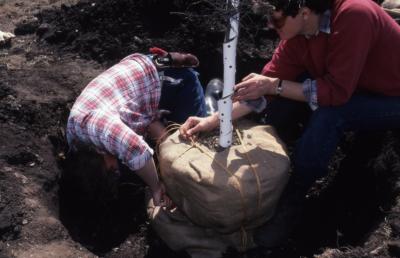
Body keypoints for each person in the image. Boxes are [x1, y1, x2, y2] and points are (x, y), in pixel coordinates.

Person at [180, 0, 400, 248]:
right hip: (356, 83)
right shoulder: (298, 38)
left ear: (304, 13)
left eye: (275, 19)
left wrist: (275, 86)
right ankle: (280, 154)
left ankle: (295, 193)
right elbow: (264, 87)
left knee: (330, 114)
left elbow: (337, 93)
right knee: (287, 88)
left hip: (391, 95)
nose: (268, 24)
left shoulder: (355, 15)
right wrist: (213, 119)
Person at [66, 48, 206, 207]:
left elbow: (136, 149)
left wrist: (156, 186)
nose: (116, 170)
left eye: (112, 170)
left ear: (99, 153)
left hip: (159, 76)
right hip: (132, 93)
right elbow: (149, 124)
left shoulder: (99, 127)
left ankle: (209, 97)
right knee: (167, 145)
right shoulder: (77, 142)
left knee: (195, 136)